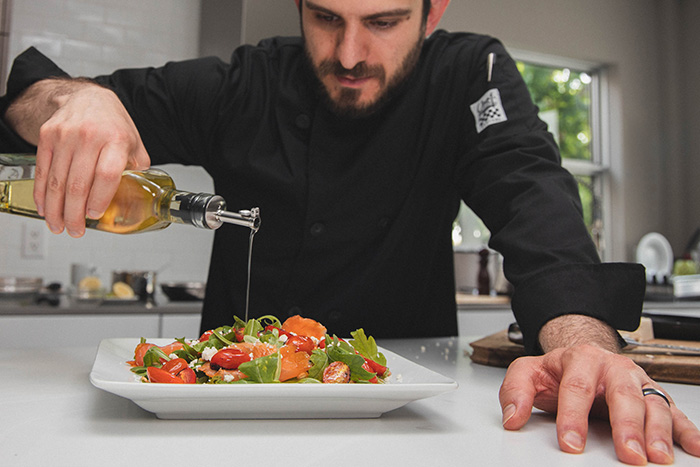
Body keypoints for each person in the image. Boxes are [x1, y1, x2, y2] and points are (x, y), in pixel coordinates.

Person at [0, 0, 698, 463]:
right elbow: (30, 98)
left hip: (414, 431)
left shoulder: (468, 75)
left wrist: (583, 342)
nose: (350, 52)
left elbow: (531, 193)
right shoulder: (244, 85)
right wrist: (76, 98)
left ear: (434, 8)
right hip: (220, 431)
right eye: (326, 17)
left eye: (385, 21)